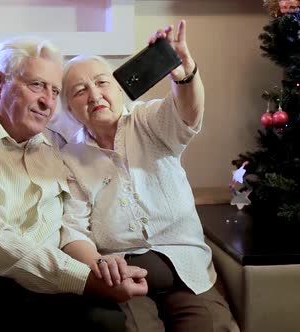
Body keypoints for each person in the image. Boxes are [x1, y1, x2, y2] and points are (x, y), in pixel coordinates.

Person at [0, 36, 148, 332]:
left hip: (31, 284)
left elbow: (67, 224)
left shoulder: (53, 148)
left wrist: (103, 268)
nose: (47, 101)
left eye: (55, 91)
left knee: (105, 321)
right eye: (36, 86)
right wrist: (85, 280)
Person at [58, 21, 236, 331]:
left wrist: (184, 73)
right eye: (80, 90)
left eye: (102, 83)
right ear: (70, 110)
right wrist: (99, 264)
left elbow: (187, 116)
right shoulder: (69, 158)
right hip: (123, 278)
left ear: (119, 90)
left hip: (187, 272)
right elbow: (73, 229)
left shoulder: (148, 120)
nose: (94, 94)